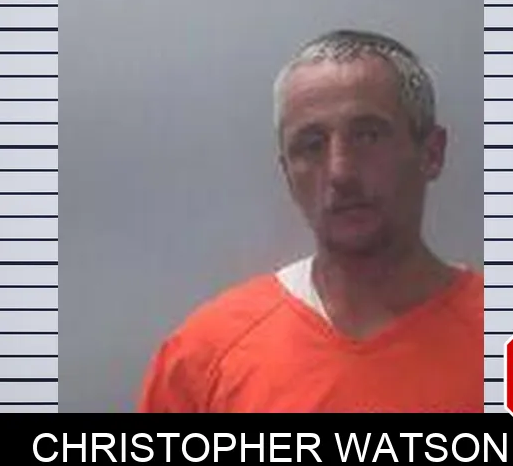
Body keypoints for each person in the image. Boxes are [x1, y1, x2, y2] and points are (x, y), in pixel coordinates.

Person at [137, 29, 483, 413]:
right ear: (287, 174)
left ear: (431, 153)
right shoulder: (202, 359)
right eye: (311, 145)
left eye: (368, 136)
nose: (340, 172)